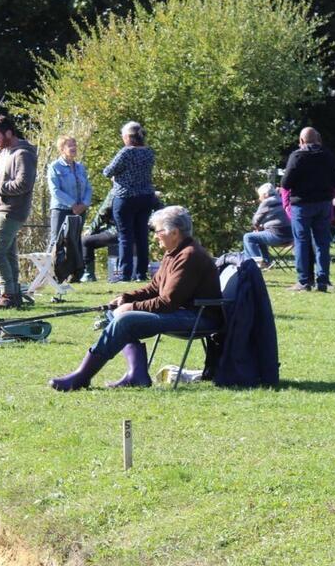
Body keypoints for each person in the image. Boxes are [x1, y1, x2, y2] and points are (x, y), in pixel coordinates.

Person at [49, 206, 221, 391]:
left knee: (125, 320)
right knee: (114, 314)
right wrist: (125, 298)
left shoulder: (189, 256)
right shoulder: (174, 253)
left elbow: (168, 302)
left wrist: (131, 308)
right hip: (183, 312)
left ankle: (82, 377)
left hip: (198, 317)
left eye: (158, 231)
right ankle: (136, 374)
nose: (155, 236)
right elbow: (154, 288)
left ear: (174, 233)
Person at [280, 127, 335, 292]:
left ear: (301, 141)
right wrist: (329, 198)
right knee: (322, 243)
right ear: (318, 140)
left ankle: (304, 281)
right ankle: (323, 281)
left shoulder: (297, 156)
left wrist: (286, 204)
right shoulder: (327, 156)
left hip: (301, 206)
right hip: (322, 205)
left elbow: (285, 183)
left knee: (301, 242)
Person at [0, 115, 38, 309]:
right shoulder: (5, 152)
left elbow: (24, 184)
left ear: (9, 133)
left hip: (11, 210)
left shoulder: (23, 154)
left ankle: (7, 293)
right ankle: (13, 295)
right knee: (8, 254)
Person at [103, 121, 156, 282]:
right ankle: (141, 273)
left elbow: (108, 171)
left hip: (125, 198)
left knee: (125, 236)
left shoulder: (126, 152)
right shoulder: (149, 152)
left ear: (128, 137)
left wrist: (115, 177)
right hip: (146, 197)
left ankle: (125, 274)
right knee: (142, 236)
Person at [46, 135, 92, 244]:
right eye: (70, 145)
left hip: (80, 211)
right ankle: (51, 262)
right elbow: (55, 190)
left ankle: (75, 262)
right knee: (57, 242)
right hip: (61, 210)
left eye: (74, 145)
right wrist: (72, 205)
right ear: (62, 149)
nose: (73, 148)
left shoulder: (80, 167)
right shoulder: (54, 167)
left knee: (75, 243)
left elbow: (88, 188)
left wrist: (84, 204)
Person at [242, 183, 293, 269]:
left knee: (248, 237)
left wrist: (257, 227)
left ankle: (255, 264)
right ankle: (266, 262)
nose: (259, 198)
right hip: (290, 236)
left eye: (260, 196)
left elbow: (255, 220)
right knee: (259, 236)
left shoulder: (267, 202)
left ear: (265, 195)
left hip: (277, 236)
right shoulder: (281, 199)